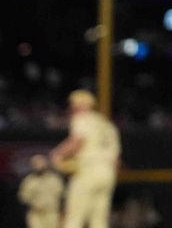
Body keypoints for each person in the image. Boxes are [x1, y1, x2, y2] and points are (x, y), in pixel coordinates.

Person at [49, 90, 119, 228]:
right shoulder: (107, 124)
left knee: (75, 217)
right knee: (99, 220)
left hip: (88, 170)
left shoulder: (82, 118)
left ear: (78, 106)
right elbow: (117, 160)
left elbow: (77, 141)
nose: (72, 109)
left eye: (73, 106)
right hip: (108, 173)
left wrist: (57, 153)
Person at [17, 154, 64, 228]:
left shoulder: (54, 179)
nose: (39, 165)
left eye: (41, 163)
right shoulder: (29, 180)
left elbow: (61, 196)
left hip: (52, 213)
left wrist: (62, 213)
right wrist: (33, 205)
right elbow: (23, 197)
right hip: (36, 213)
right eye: (36, 163)